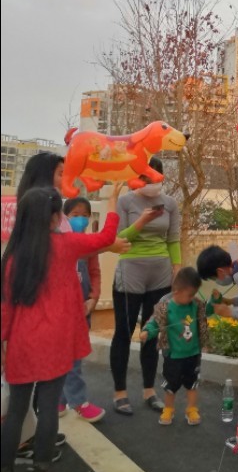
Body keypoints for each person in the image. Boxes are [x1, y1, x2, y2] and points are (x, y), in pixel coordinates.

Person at [1, 184, 121, 472]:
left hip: (21, 343)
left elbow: (6, 306)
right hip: (54, 342)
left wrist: (2, 343)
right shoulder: (66, 245)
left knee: (16, 412)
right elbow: (105, 238)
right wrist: (112, 201)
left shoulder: (13, 255)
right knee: (49, 407)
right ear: (56, 216)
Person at [110, 157, 183, 415]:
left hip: (160, 273)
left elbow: (173, 239)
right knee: (124, 332)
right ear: (137, 177)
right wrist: (141, 221)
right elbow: (118, 238)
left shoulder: (170, 204)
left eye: (156, 177)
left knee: (151, 333)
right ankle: (120, 392)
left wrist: (176, 268)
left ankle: (149, 390)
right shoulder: (125, 201)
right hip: (131, 271)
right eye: (146, 176)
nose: (151, 182)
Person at [139, 267, 209, 427]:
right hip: (173, 356)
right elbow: (154, 323)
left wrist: (216, 301)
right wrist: (146, 332)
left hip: (193, 354)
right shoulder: (165, 308)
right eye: (190, 294)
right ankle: (169, 409)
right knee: (171, 386)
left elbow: (208, 309)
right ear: (177, 292)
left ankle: (191, 409)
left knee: (192, 384)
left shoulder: (195, 305)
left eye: (194, 294)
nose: (192, 298)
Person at [58, 197, 105, 423]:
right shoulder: (58, 243)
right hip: (62, 311)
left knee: (71, 356)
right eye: (75, 215)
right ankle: (78, 401)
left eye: (85, 215)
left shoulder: (89, 245)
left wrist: (93, 298)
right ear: (64, 217)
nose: (81, 220)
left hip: (83, 310)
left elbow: (95, 273)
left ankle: (58, 401)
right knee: (69, 357)